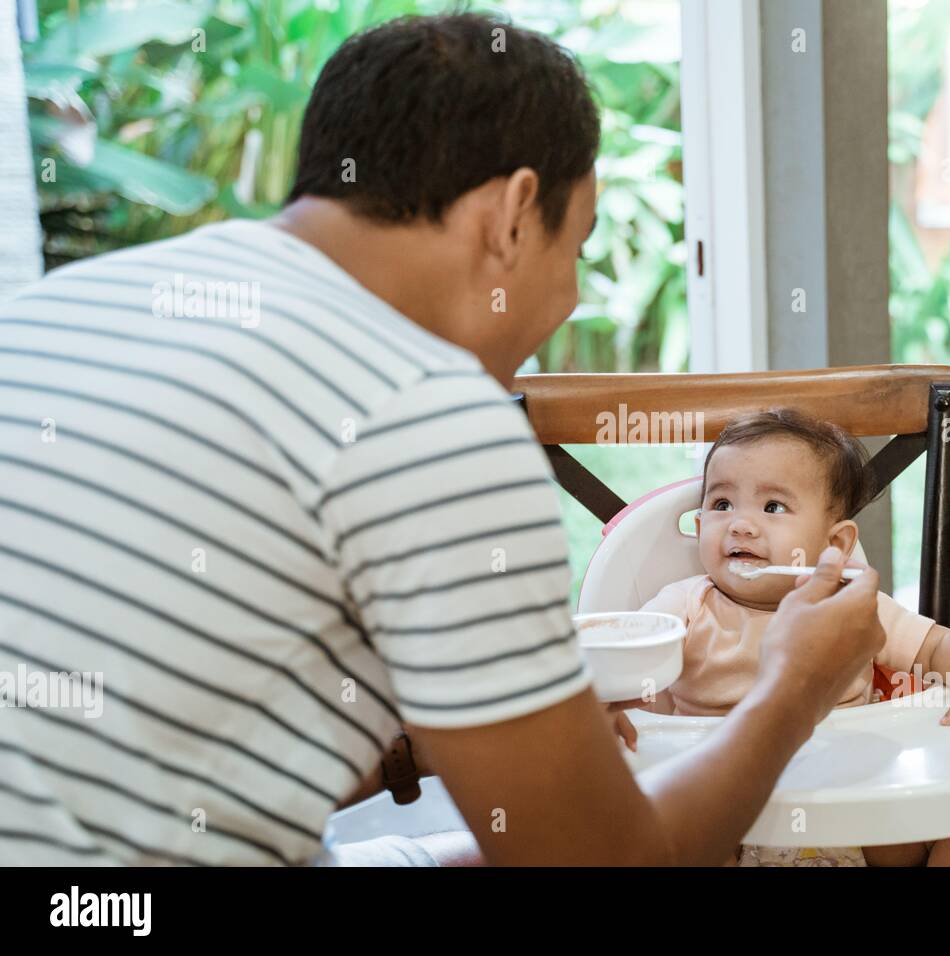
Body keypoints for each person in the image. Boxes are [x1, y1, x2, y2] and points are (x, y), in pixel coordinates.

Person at [0, 12, 885, 866]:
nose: (571, 296)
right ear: (512, 215)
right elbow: (604, 863)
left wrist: (420, 744)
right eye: (575, 248)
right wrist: (795, 688)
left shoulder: (52, 312)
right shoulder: (428, 410)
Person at [627, 409, 950, 866]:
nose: (741, 525)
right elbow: (621, 665)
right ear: (698, 527)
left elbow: (939, 648)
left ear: (836, 544)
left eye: (773, 507)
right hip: (736, 816)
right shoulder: (684, 608)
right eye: (721, 505)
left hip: (860, 812)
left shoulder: (852, 610)